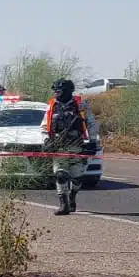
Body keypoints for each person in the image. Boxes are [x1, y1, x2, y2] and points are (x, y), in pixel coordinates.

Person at [43, 78, 94, 215]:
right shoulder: (52, 106)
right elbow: (44, 125)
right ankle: (63, 204)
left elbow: (91, 124)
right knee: (60, 174)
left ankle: (72, 196)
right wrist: (46, 141)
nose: (56, 94)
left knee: (77, 177)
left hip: (77, 145)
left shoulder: (80, 105)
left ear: (67, 91)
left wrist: (93, 141)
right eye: (55, 91)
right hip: (59, 146)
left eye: (58, 91)